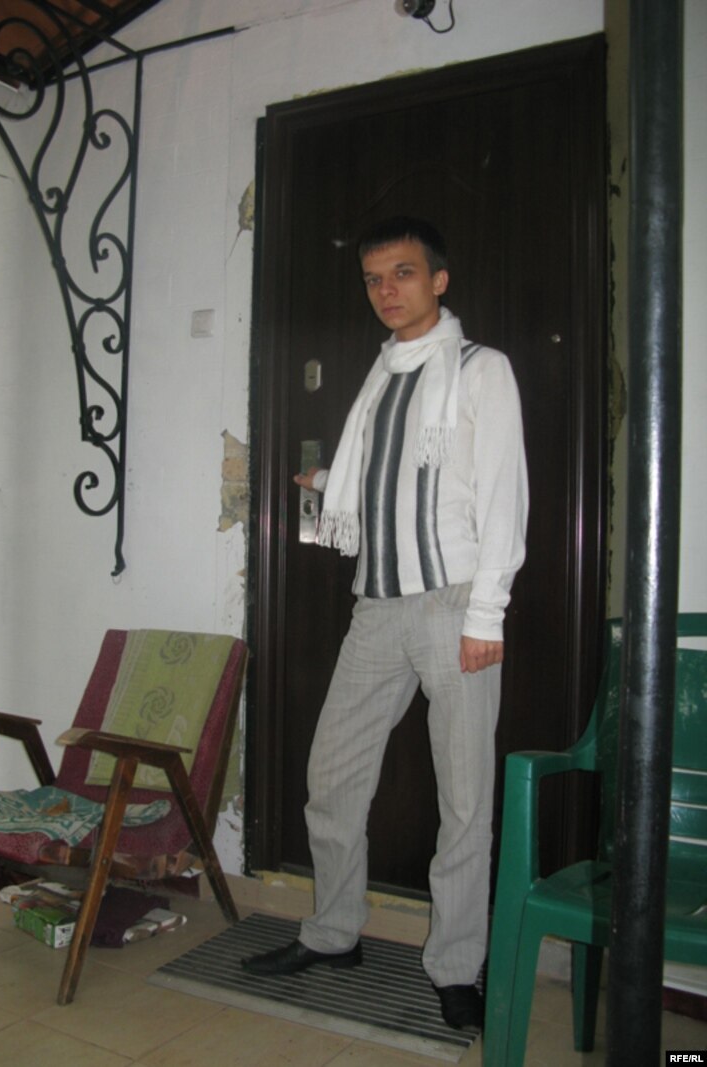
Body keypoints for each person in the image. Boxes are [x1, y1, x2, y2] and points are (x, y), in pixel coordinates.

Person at [242, 216, 529, 1032]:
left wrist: (487, 614)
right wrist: (333, 481)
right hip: (375, 606)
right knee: (332, 776)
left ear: (439, 279)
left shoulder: (480, 369)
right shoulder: (382, 375)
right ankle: (334, 932)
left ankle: (456, 964)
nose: (386, 290)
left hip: (453, 605)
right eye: (373, 278)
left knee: (465, 799)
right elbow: (396, 476)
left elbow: (502, 495)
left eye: (402, 273)